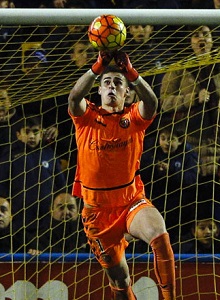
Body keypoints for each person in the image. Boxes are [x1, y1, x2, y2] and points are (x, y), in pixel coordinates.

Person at [68, 50, 176, 299]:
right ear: (99, 91)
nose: (112, 87)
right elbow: (74, 98)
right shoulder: (86, 118)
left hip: (130, 201)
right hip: (97, 213)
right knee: (120, 279)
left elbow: (152, 104)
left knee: (159, 236)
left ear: (127, 93)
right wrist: (96, 68)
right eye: (107, 83)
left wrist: (133, 75)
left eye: (118, 83)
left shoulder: (133, 118)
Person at [0, 114, 66, 231]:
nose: (32, 136)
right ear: (18, 135)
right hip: (19, 217)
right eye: (27, 132)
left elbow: (61, 184)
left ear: (41, 134)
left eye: (35, 132)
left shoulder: (49, 153)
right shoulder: (10, 154)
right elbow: (1, 184)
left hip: (47, 216)